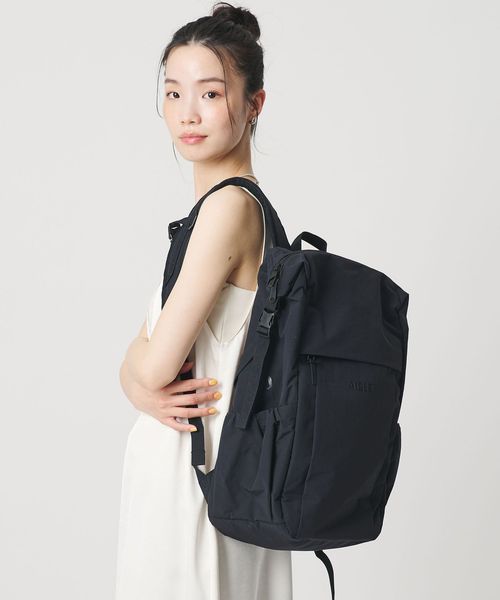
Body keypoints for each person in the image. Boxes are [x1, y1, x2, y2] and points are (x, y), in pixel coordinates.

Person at [114, 3, 293, 599]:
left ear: (254, 104)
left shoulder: (227, 209)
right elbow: (147, 363)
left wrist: (134, 378)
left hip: (195, 476)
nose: (187, 113)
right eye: (173, 93)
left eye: (211, 94)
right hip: (225, 473)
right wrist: (136, 378)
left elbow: (153, 365)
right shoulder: (229, 209)